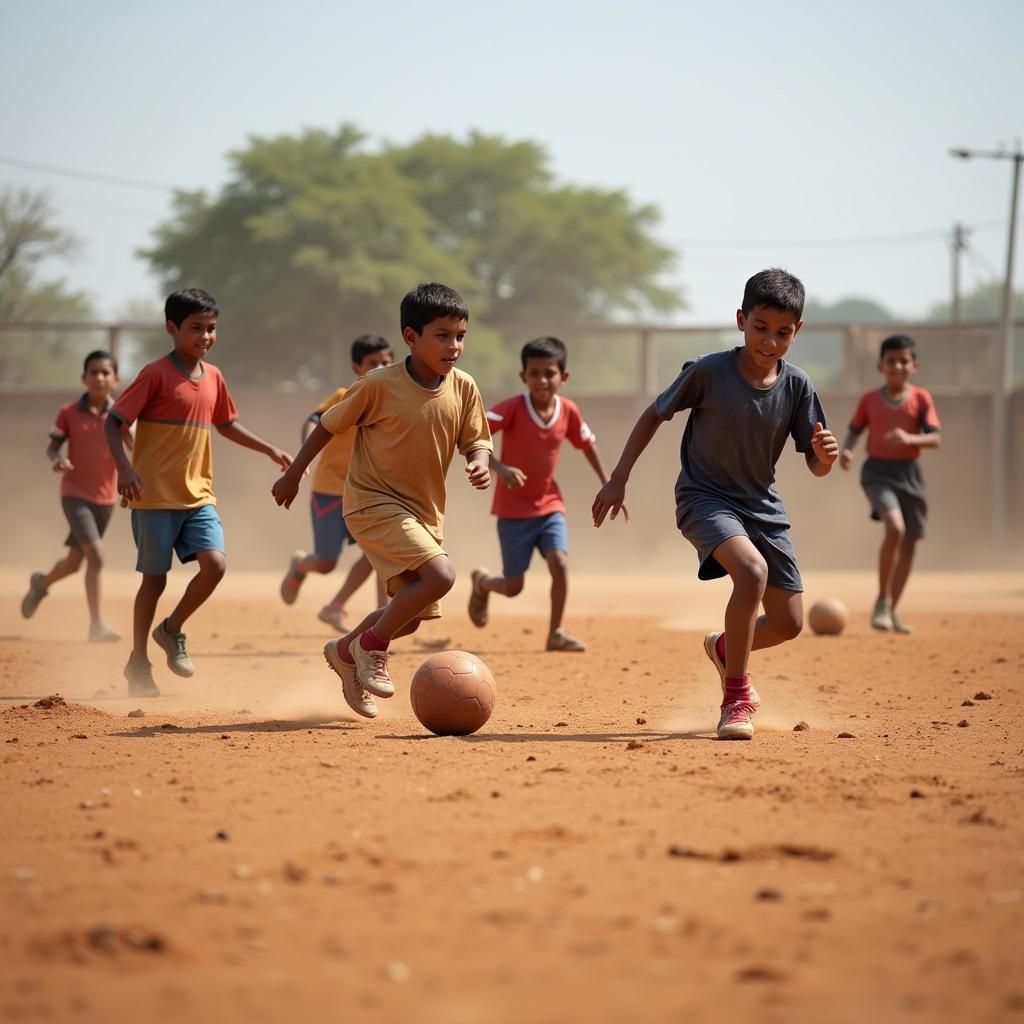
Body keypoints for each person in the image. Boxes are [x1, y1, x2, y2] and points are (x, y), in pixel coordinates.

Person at [593, 268, 839, 740]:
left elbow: (815, 463)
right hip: (704, 498)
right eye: (760, 328)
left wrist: (825, 459)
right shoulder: (709, 372)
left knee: (789, 623)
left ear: (798, 331)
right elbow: (654, 415)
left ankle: (726, 647)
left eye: (783, 332)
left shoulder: (798, 387)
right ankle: (736, 699)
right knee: (750, 572)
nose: (769, 341)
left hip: (763, 507)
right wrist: (617, 478)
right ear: (741, 320)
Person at [272, 283, 492, 720]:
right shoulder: (377, 385)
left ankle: (344, 651)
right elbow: (327, 426)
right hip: (372, 504)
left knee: (408, 615)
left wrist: (480, 461)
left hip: (424, 513)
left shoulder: (464, 387)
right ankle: (371, 646)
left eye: (460, 336)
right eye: (442, 335)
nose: (454, 346)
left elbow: (476, 439)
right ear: (411, 338)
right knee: (441, 575)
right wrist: (295, 473)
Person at [106, 288, 292, 698]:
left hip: (198, 496)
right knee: (153, 581)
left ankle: (171, 630)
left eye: (211, 329)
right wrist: (124, 467)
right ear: (172, 329)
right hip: (154, 496)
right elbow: (113, 421)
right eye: (195, 328)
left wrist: (268, 449)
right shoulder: (155, 374)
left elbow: (225, 425)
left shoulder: (214, 377)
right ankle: (138, 661)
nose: (205, 337)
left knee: (215, 565)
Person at [468, 336, 619, 651]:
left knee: (560, 563)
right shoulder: (511, 408)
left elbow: (587, 444)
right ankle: (482, 583)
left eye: (549, 373)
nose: (541, 380)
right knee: (513, 587)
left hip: (549, 504)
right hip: (512, 511)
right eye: (534, 373)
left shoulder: (568, 410)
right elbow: (474, 434)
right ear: (523, 377)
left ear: (563, 377)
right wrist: (499, 467)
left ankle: (555, 633)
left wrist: (609, 482)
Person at [279, 335, 393, 631]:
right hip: (330, 491)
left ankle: (371, 616)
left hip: (368, 492)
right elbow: (314, 419)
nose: (380, 367)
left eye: (385, 361)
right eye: (372, 363)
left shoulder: (394, 400)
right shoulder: (346, 395)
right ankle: (301, 565)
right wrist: (303, 456)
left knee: (378, 554)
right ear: (357, 367)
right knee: (327, 562)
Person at [21, 350, 128, 641]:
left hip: (105, 499)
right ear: (84, 378)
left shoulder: (121, 415)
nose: (99, 378)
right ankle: (96, 625)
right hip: (74, 494)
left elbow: (135, 448)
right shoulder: (68, 412)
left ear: (116, 379)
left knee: (74, 562)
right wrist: (57, 459)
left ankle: (41, 583)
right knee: (97, 557)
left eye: (106, 373)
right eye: (93, 372)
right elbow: (52, 446)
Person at [839, 334, 941, 634]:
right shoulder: (869, 400)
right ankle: (881, 601)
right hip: (877, 473)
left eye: (903, 361)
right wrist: (846, 450)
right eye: (891, 361)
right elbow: (855, 430)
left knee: (909, 543)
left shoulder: (921, 399)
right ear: (880, 366)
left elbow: (935, 437)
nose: (897, 366)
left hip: (910, 475)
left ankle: (891, 611)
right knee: (894, 528)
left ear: (914, 365)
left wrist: (911, 438)